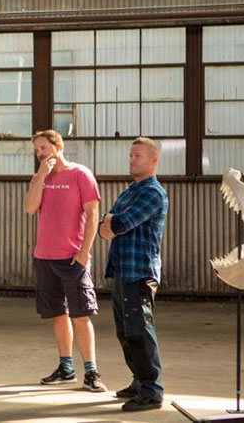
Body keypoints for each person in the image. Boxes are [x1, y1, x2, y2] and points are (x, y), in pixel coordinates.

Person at [23, 130, 107, 392]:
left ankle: (91, 372)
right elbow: (30, 208)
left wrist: (84, 252)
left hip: (72, 259)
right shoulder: (39, 178)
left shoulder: (80, 174)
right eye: (37, 150)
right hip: (44, 258)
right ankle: (66, 367)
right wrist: (41, 177)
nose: (40, 153)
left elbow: (93, 214)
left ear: (58, 146)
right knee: (58, 315)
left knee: (81, 315)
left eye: (44, 148)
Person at [98, 137, 169, 412]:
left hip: (139, 273)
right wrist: (111, 223)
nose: (132, 160)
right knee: (125, 332)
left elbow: (121, 222)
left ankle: (152, 391)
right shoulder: (130, 191)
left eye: (138, 156)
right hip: (121, 271)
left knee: (140, 331)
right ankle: (139, 381)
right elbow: (105, 227)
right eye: (130, 155)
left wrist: (112, 223)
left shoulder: (153, 192)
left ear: (153, 160)